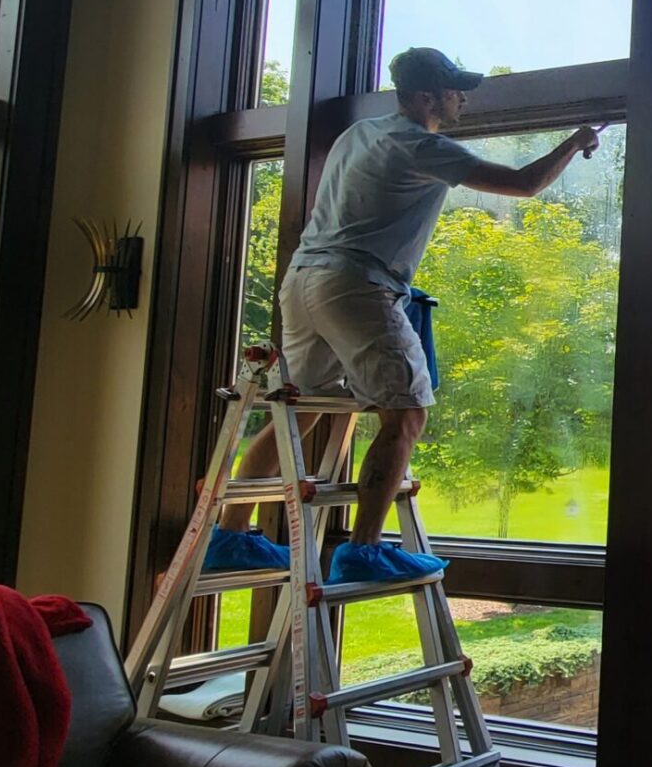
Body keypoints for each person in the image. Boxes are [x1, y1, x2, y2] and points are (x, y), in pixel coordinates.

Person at [205, 47, 601, 583]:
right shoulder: (420, 144)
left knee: (299, 408)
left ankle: (231, 536)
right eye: (454, 88)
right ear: (424, 96)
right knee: (407, 414)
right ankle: (363, 551)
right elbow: (524, 185)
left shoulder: (358, 134)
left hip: (304, 280)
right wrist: (574, 142)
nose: (462, 97)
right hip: (356, 284)